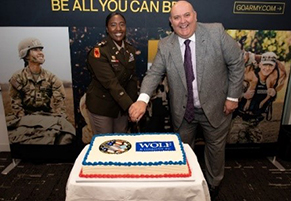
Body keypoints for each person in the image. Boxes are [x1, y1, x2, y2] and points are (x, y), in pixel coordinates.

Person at [129, 1, 244, 200]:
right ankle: (186, 186)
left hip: (217, 107)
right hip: (184, 112)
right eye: (176, 18)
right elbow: (154, 74)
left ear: (195, 15)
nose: (183, 21)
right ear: (170, 22)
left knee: (215, 152)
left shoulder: (216, 32)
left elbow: (236, 62)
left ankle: (213, 187)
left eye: (186, 15)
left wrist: (233, 96)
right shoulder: (166, 45)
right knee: (181, 152)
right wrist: (142, 100)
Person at [8, 37, 75, 145]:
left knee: (67, 131)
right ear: (25, 55)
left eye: (41, 50)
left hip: (46, 116)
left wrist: (58, 120)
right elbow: (16, 106)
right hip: (25, 118)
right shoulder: (17, 78)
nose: (41, 53)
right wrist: (28, 123)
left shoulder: (52, 78)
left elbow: (59, 105)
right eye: (36, 50)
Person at [85, 12, 138, 137]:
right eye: (113, 25)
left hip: (121, 107)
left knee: (121, 143)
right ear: (107, 29)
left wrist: (133, 104)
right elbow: (111, 83)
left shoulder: (130, 50)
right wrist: (131, 107)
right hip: (102, 106)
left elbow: (130, 79)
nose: (118, 29)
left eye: (122, 25)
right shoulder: (99, 52)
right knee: (105, 145)